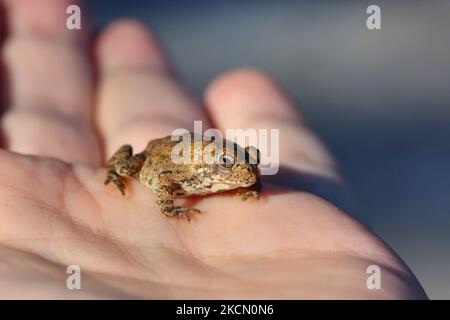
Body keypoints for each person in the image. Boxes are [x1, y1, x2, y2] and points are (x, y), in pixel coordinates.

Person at [0, 0, 426, 299]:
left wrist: (246, 184)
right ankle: (115, 171)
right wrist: (167, 207)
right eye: (240, 172)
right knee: (129, 160)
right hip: (157, 155)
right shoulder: (191, 174)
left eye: (249, 168)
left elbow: (243, 171)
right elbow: (163, 177)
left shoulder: (232, 170)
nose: (249, 174)